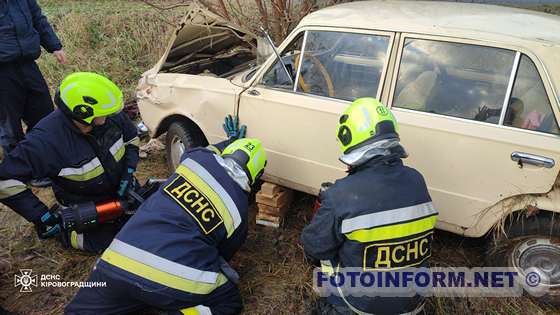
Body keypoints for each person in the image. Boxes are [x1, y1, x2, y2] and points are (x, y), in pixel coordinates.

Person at [64, 131, 267, 315]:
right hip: (172, 280)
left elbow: (207, 150)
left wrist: (231, 140)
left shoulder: (196, 159)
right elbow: (221, 255)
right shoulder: (239, 212)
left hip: (119, 261)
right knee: (228, 302)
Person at [301, 97, 438, 315]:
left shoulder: (341, 194)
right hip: (412, 302)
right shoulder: (416, 179)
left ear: (350, 139)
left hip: (361, 304)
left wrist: (328, 209)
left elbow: (314, 247)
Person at [0, 72, 140, 253]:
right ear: (83, 113)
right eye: (104, 113)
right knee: (116, 246)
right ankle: (68, 234)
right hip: (86, 209)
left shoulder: (110, 118)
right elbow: (5, 181)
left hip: (123, 193)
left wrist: (128, 172)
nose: (112, 115)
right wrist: (42, 217)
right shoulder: (44, 142)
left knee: (150, 224)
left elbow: (131, 139)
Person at [0, 0, 66, 153]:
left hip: (28, 63)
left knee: (44, 114)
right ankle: (18, 169)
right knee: (10, 126)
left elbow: (37, 18)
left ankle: (43, 158)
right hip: (2, 71)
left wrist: (54, 46)